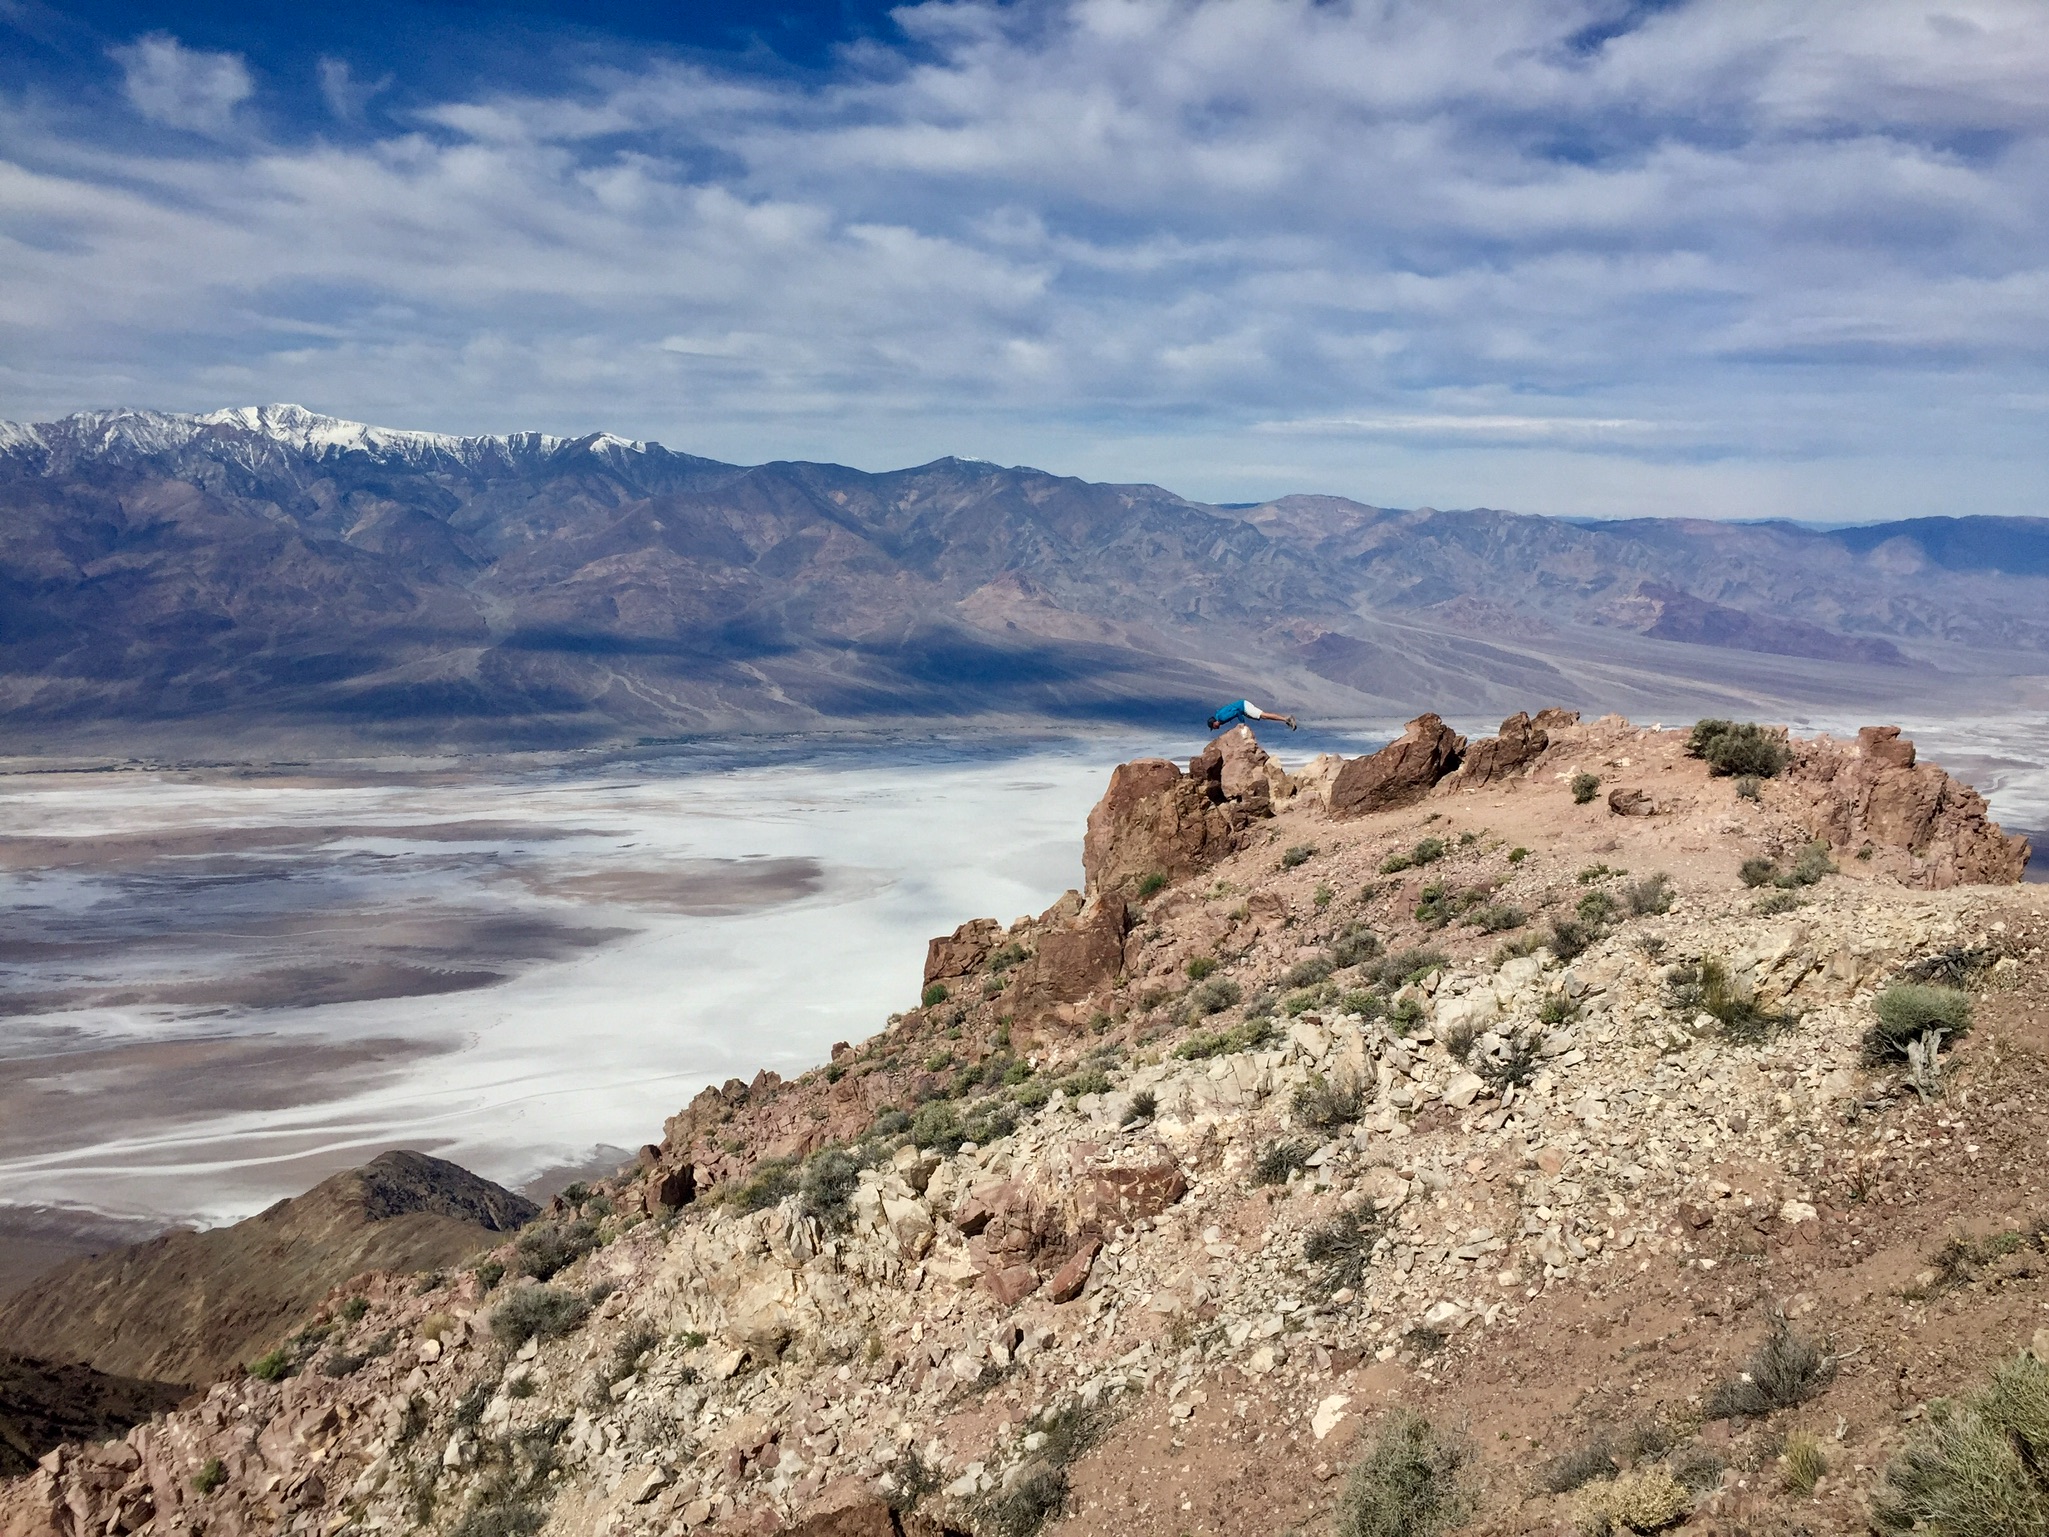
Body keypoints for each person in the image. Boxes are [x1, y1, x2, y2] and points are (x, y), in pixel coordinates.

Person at [1207, 699, 1298, 731]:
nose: (1215, 728)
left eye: (1213, 727)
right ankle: (1285, 719)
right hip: (1243, 706)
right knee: (1263, 716)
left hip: (1243, 707)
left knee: (1263, 715)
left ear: (1214, 723)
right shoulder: (1219, 716)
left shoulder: (1221, 718)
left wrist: (1242, 724)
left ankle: (1286, 719)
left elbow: (1236, 711)